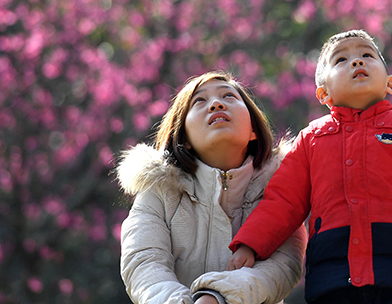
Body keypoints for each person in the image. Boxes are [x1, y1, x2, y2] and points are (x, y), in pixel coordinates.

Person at [228, 30, 392, 304]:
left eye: (367, 55)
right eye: (341, 60)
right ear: (323, 93)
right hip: (333, 277)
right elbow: (282, 200)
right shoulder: (311, 138)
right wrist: (250, 244)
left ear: (389, 83)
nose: (357, 62)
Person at [117, 71, 306, 304]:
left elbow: (282, 267)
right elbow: (144, 264)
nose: (216, 104)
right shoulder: (158, 191)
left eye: (229, 96)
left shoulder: (281, 190)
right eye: (199, 101)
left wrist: (218, 297)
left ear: (253, 130)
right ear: (183, 136)